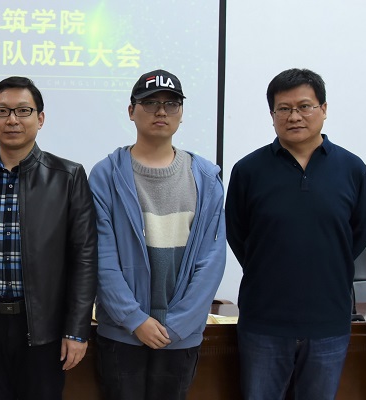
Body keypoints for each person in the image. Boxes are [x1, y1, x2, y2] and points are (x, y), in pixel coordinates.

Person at [225, 68, 366, 399]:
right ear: (272, 114)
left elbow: (356, 236)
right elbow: (238, 235)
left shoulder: (352, 169)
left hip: (328, 322)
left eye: (304, 106)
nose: (294, 117)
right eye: (284, 109)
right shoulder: (248, 170)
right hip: (264, 323)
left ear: (324, 109)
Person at [0, 76, 97, 400]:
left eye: (23, 110)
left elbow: (84, 258)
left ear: (40, 118)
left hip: (44, 326)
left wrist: (77, 330)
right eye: (2, 111)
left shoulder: (68, 176)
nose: (12, 120)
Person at [89, 69, 226, 400]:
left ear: (181, 113)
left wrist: (178, 325)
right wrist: (134, 319)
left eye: (171, 104)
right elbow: (101, 257)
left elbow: (212, 259)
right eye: (150, 103)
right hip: (122, 333)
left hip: (180, 336)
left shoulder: (205, 177)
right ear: (131, 111)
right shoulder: (106, 175)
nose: (161, 111)